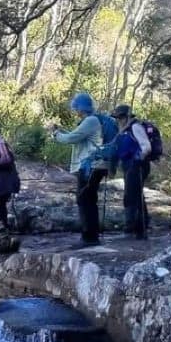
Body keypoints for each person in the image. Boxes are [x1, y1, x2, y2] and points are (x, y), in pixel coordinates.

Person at [48, 93, 109, 247]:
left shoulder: (91, 120)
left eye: (76, 108)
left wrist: (56, 134)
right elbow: (78, 138)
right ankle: (91, 236)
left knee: (84, 200)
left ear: (81, 108)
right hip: (95, 165)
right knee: (88, 199)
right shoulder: (92, 120)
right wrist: (62, 132)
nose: (75, 111)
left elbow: (71, 139)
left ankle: (89, 238)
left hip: (90, 166)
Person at [113, 104, 154, 240]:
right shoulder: (126, 130)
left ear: (126, 117)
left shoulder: (135, 127)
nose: (118, 120)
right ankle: (139, 226)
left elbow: (146, 147)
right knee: (135, 196)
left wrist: (138, 159)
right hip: (130, 166)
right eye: (117, 118)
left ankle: (137, 230)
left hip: (137, 167)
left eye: (120, 117)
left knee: (132, 197)